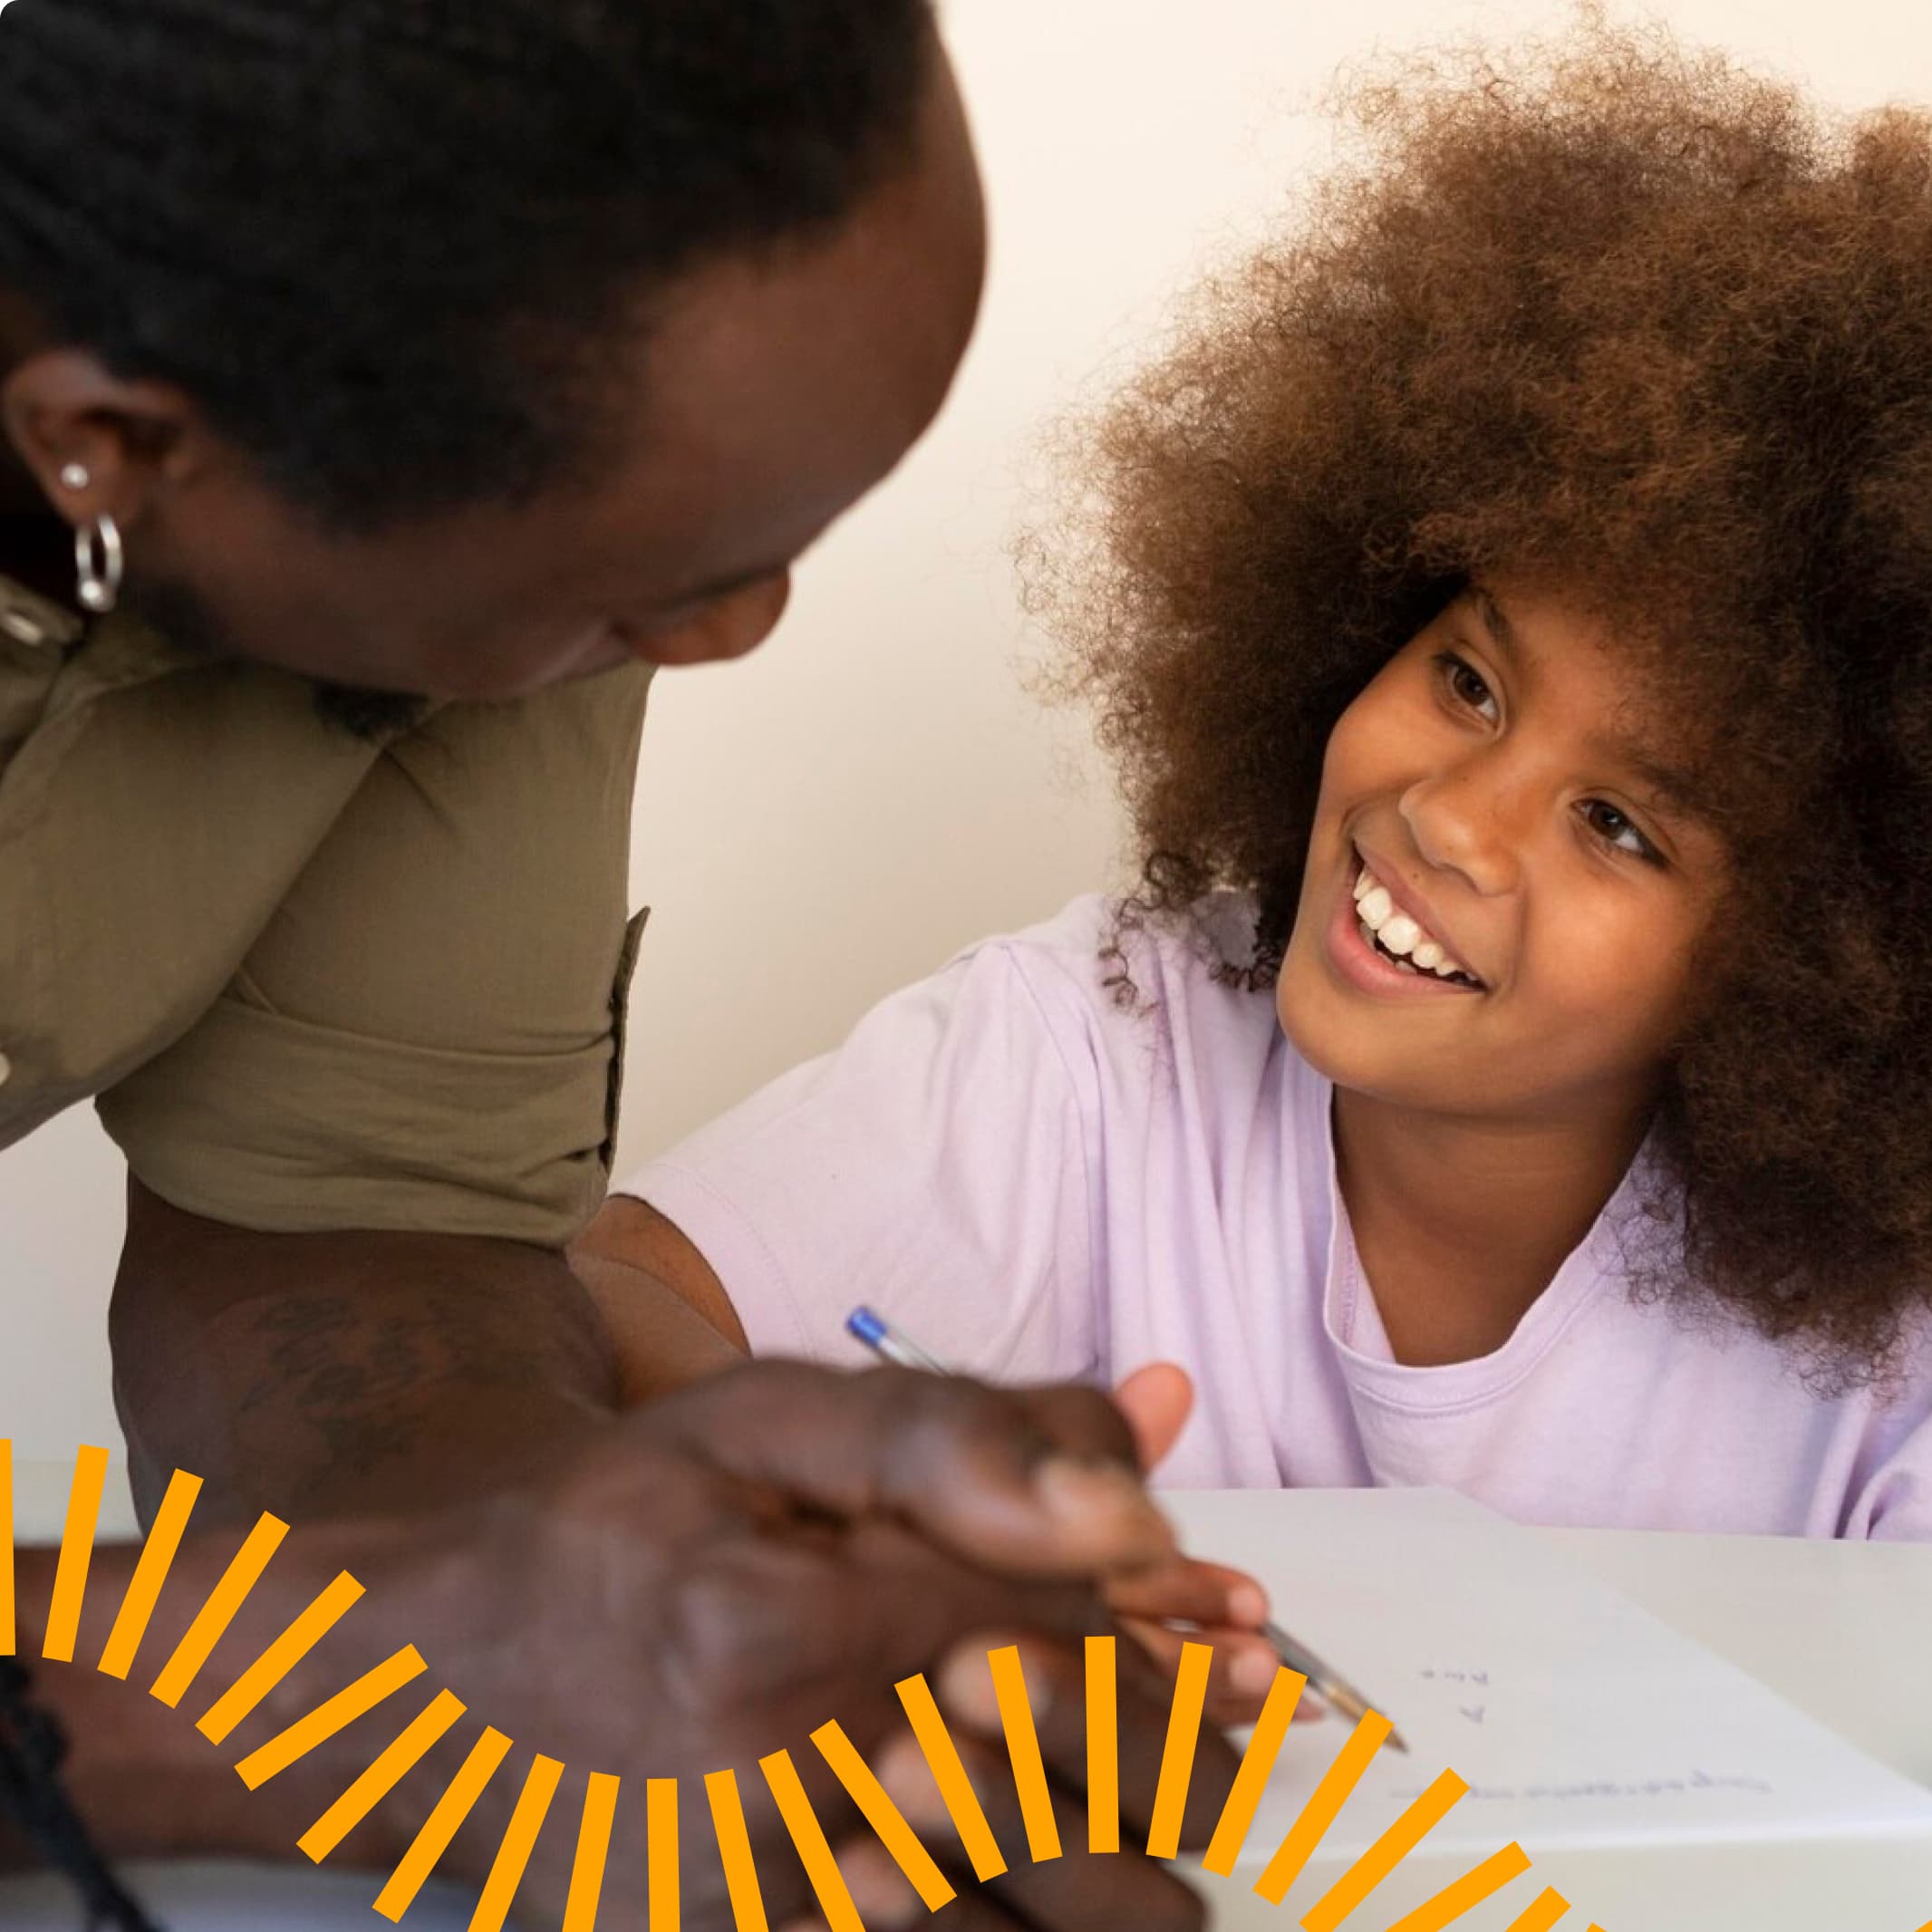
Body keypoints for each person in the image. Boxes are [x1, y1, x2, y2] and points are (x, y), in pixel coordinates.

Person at [0, 2, 1251, 1922]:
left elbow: (348, 1232)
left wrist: (713, 1624)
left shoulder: (444, 413)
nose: (735, 629)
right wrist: (348, 1695)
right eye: (655, 577)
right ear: (110, 445)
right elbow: (381, 1672)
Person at [579, 25, 1932, 1539]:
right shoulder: (1106, 1053)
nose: (1450, 816)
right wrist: (850, 1478)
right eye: (1467, 681)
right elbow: (607, 1301)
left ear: (1832, 964)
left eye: (1617, 825)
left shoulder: (1884, 1364)